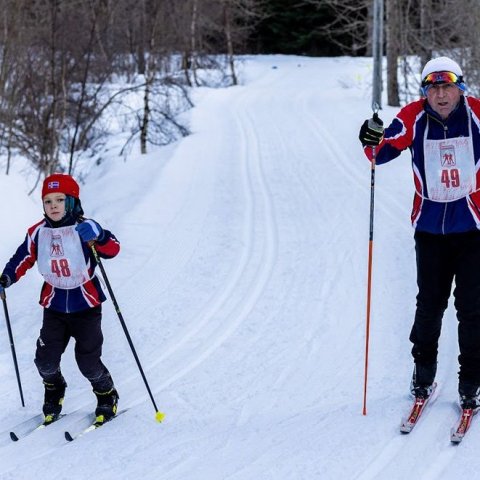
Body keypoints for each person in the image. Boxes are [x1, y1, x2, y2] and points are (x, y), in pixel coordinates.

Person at [359, 56, 480, 410]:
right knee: (429, 305)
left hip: (473, 227)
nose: (441, 96)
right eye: (434, 88)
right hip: (429, 228)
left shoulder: (475, 113)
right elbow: (378, 154)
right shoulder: (413, 117)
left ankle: (471, 380)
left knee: (472, 310)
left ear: (460, 89)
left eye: (448, 88)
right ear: (425, 92)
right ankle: (423, 372)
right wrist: (370, 137)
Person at [0, 173, 120, 424]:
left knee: (88, 361)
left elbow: (112, 249)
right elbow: (24, 257)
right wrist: (7, 277)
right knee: (45, 360)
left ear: (72, 202)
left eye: (59, 199)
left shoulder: (84, 228)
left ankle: (106, 393)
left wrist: (99, 235)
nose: (53, 205)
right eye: (47, 201)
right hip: (53, 305)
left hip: (86, 305)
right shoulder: (38, 232)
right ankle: (55, 389)